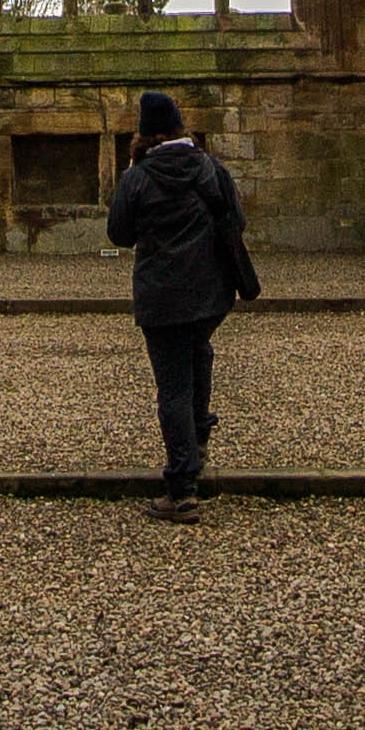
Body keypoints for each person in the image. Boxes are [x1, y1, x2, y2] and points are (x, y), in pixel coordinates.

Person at [104, 90, 258, 520]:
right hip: (211, 293)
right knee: (198, 355)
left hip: (161, 293)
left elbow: (119, 234)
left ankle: (182, 487)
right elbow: (237, 222)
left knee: (173, 384)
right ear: (178, 127)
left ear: (145, 133)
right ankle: (199, 439)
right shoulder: (211, 168)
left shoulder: (138, 176)